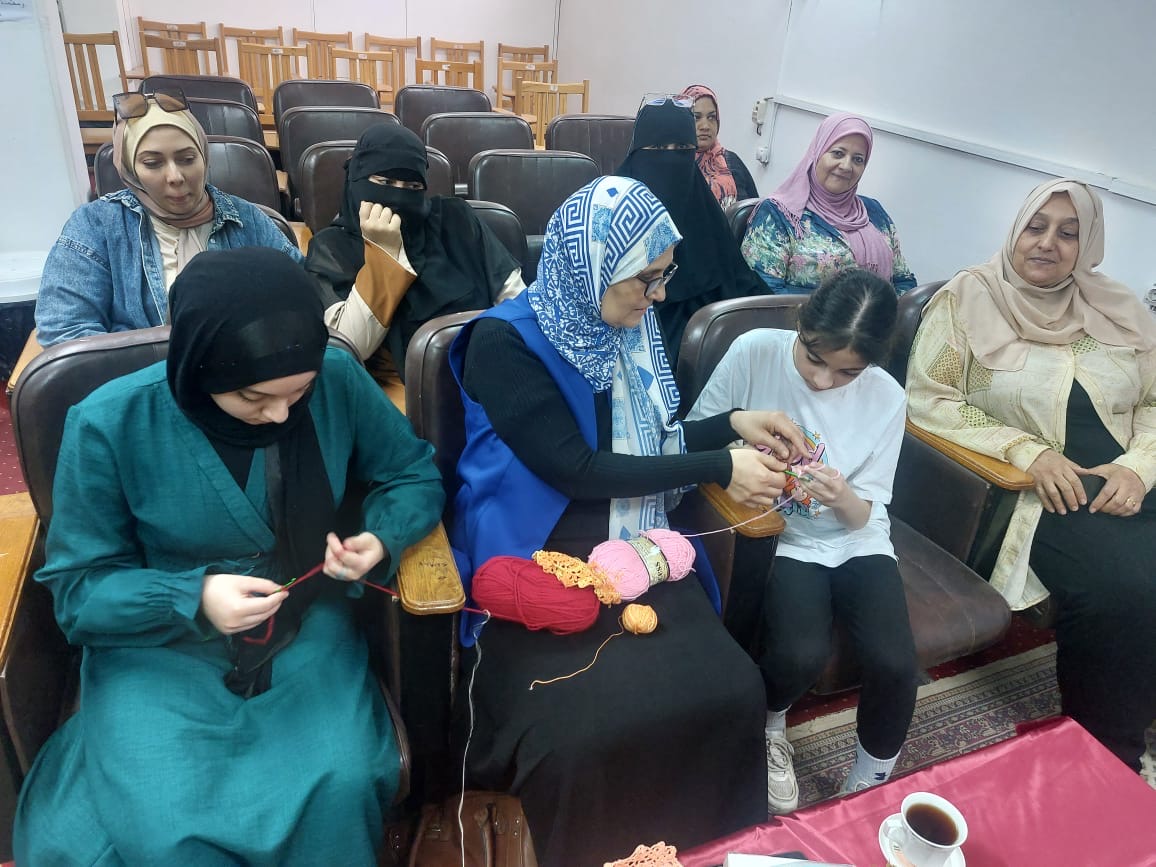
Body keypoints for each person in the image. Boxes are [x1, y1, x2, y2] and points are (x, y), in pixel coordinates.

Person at [14, 248, 444, 864]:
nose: (280, 414)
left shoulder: (336, 378)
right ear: (198, 366)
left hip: (303, 624)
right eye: (252, 396)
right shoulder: (110, 422)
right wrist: (193, 597)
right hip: (157, 643)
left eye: (298, 393)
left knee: (342, 779)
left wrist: (380, 537)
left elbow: (411, 472)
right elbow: (80, 592)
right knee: (168, 821)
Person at [449, 177, 807, 865]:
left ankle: (711, 853)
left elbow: (645, 443)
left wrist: (732, 423)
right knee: (577, 732)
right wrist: (718, 465)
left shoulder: (625, 328)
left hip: (633, 539)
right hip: (534, 557)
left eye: (664, 276)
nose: (660, 296)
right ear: (592, 268)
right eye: (647, 279)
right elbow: (575, 465)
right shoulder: (504, 342)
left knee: (734, 690)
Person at [906, 178, 1156, 771]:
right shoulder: (968, 299)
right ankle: (1106, 752)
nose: (1048, 243)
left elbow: (1151, 402)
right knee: (1125, 590)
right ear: (1016, 230)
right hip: (1045, 487)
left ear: (1087, 244)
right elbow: (929, 401)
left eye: (1069, 233)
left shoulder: (1118, 306)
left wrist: (1138, 467)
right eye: (1036, 227)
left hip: (1132, 474)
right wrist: (1026, 452)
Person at [690, 268, 917, 813]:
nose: (822, 380)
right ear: (800, 323)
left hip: (857, 536)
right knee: (799, 653)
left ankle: (869, 782)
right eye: (814, 358)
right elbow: (693, 437)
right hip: (783, 535)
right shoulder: (754, 352)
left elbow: (864, 517)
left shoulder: (886, 397)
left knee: (895, 664)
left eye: (847, 372)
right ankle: (771, 724)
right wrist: (738, 455)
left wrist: (840, 496)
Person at [35, 89, 302, 347]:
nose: (175, 176)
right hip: (139, 376)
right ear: (129, 169)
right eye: (153, 163)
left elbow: (301, 296)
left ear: (204, 157)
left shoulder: (247, 219)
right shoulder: (95, 226)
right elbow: (66, 330)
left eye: (187, 159)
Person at [305, 123, 524, 380]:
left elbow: (514, 298)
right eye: (385, 182)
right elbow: (350, 347)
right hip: (400, 388)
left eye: (412, 187)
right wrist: (384, 255)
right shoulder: (331, 247)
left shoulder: (456, 219)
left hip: (488, 365)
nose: (398, 196)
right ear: (356, 179)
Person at [616, 97, 766, 364]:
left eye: (682, 148)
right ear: (638, 151)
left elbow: (741, 284)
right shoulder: (613, 208)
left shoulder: (705, 214)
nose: (670, 159)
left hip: (703, 338)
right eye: (659, 148)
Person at [741, 112, 916, 296]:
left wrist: (885, 311)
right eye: (838, 153)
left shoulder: (873, 212)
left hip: (878, 314)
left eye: (858, 159)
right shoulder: (778, 214)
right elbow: (764, 293)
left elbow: (903, 280)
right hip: (801, 315)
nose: (846, 166)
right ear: (817, 153)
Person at [679, 84, 759, 204]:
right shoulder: (674, 162)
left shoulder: (731, 161)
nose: (705, 126)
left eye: (711, 117)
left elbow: (752, 208)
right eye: (696, 117)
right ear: (681, 120)